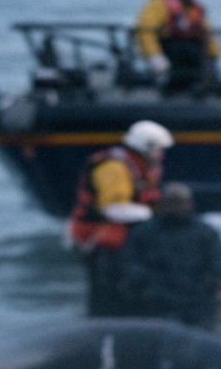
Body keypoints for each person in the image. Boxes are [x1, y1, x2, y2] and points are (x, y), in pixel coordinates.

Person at [69, 119, 171, 316]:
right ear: (146, 146)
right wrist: (155, 214)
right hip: (104, 243)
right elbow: (113, 209)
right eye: (159, 148)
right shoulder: (113, 167)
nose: (161, 154)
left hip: (125, 245)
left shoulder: (136, 166)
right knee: (108, 296)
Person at [119, 183, 221, 328]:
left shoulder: (205, 233)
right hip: (155, 304)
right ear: (162, 203)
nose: (176, 207)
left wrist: (204, 287)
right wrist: (151, 289)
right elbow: (131, 264)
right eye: (171, 202)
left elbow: (220, 264)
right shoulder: (144, 233)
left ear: (190, 203)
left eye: (181, 202)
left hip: (197, 303)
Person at [134, 0, 221, 95]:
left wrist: (215, 53)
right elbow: (145, 31)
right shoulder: (158, 4)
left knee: (204, 64)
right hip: (171, 48)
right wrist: (154, 55)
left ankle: (204, 89)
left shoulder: (195, 8)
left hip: (194, 51)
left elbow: (207, 32)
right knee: (183, 67)